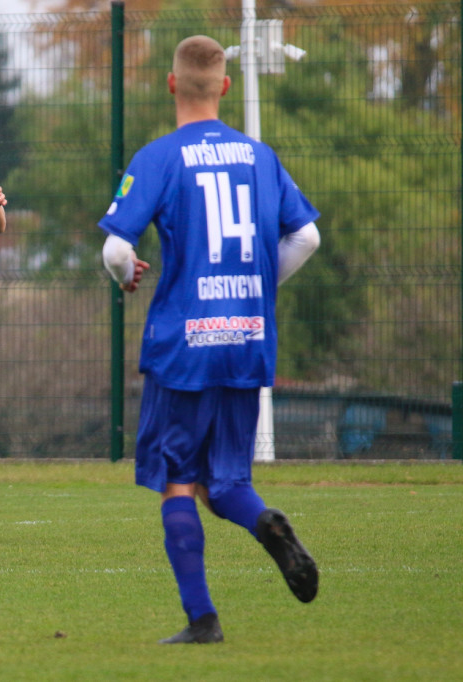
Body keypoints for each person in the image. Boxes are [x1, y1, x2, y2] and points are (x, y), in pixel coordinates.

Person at [98, 35, 321, 643]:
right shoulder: (260, 156)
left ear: (172, 85)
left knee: (178, 478)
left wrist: (126, 278)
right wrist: (252, 286)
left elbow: (117, 247)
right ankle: (265, 522)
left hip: (184, 341)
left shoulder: (160, 157)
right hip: (247, 334)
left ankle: (202, 619)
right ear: (225, 87)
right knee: (226, 483)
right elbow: (306, 239)